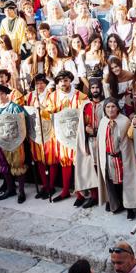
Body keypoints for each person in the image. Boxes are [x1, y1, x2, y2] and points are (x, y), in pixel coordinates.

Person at [46, 70, 89, 202]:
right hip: (62, 135)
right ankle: (65, 191)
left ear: (70, 80)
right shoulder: (52, 97)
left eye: (65, 80)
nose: (63, 83)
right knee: (65, 162)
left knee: (78, 163)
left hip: (77, 135)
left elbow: (86, 115)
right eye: (60, 81)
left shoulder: (80, 96)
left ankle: (80, 194)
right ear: (57, 83)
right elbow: (49, 114)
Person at [97, 98, 136, 219]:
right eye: (108, 107)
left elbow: (131, 136)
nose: (110, 109)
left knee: (126, 182)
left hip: (123, 157)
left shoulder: (125, 121)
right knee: (111, 181)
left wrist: (134, 125)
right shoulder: (103, 122)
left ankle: (129, 207)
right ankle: (115, 203)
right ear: (104, 109)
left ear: (118, 108)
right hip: (108, 158)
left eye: (113, 106)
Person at [0, 83, 28, 203]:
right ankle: (10, 189)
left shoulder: (15, 107)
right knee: (3, 165)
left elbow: (22, 125)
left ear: (6, 94)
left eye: (2, 93)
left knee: (18, 165)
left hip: (15, 141)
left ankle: (21, 191)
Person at [24, 73, 57, 200]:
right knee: (39, 159)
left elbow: (53, 112)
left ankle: (51, 185)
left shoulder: (51, 95)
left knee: (51, 159)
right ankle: (45, 185)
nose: (39, 85)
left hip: (49, 131)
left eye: (42, 83)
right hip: (35, 131)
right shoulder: (30, 96)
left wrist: (41, 107)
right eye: (37, 83)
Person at [74, 78, 105, 209]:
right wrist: (86, 132)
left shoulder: (106, 104)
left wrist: (96, 130)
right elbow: (82, 125)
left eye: (97, 87)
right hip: (90, 142)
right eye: (92, 88)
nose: (95, 90)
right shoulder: (85, 105)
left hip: (103, 141)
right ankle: (94, 196)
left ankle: (106, 197)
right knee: (91, 169)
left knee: (102, 169)